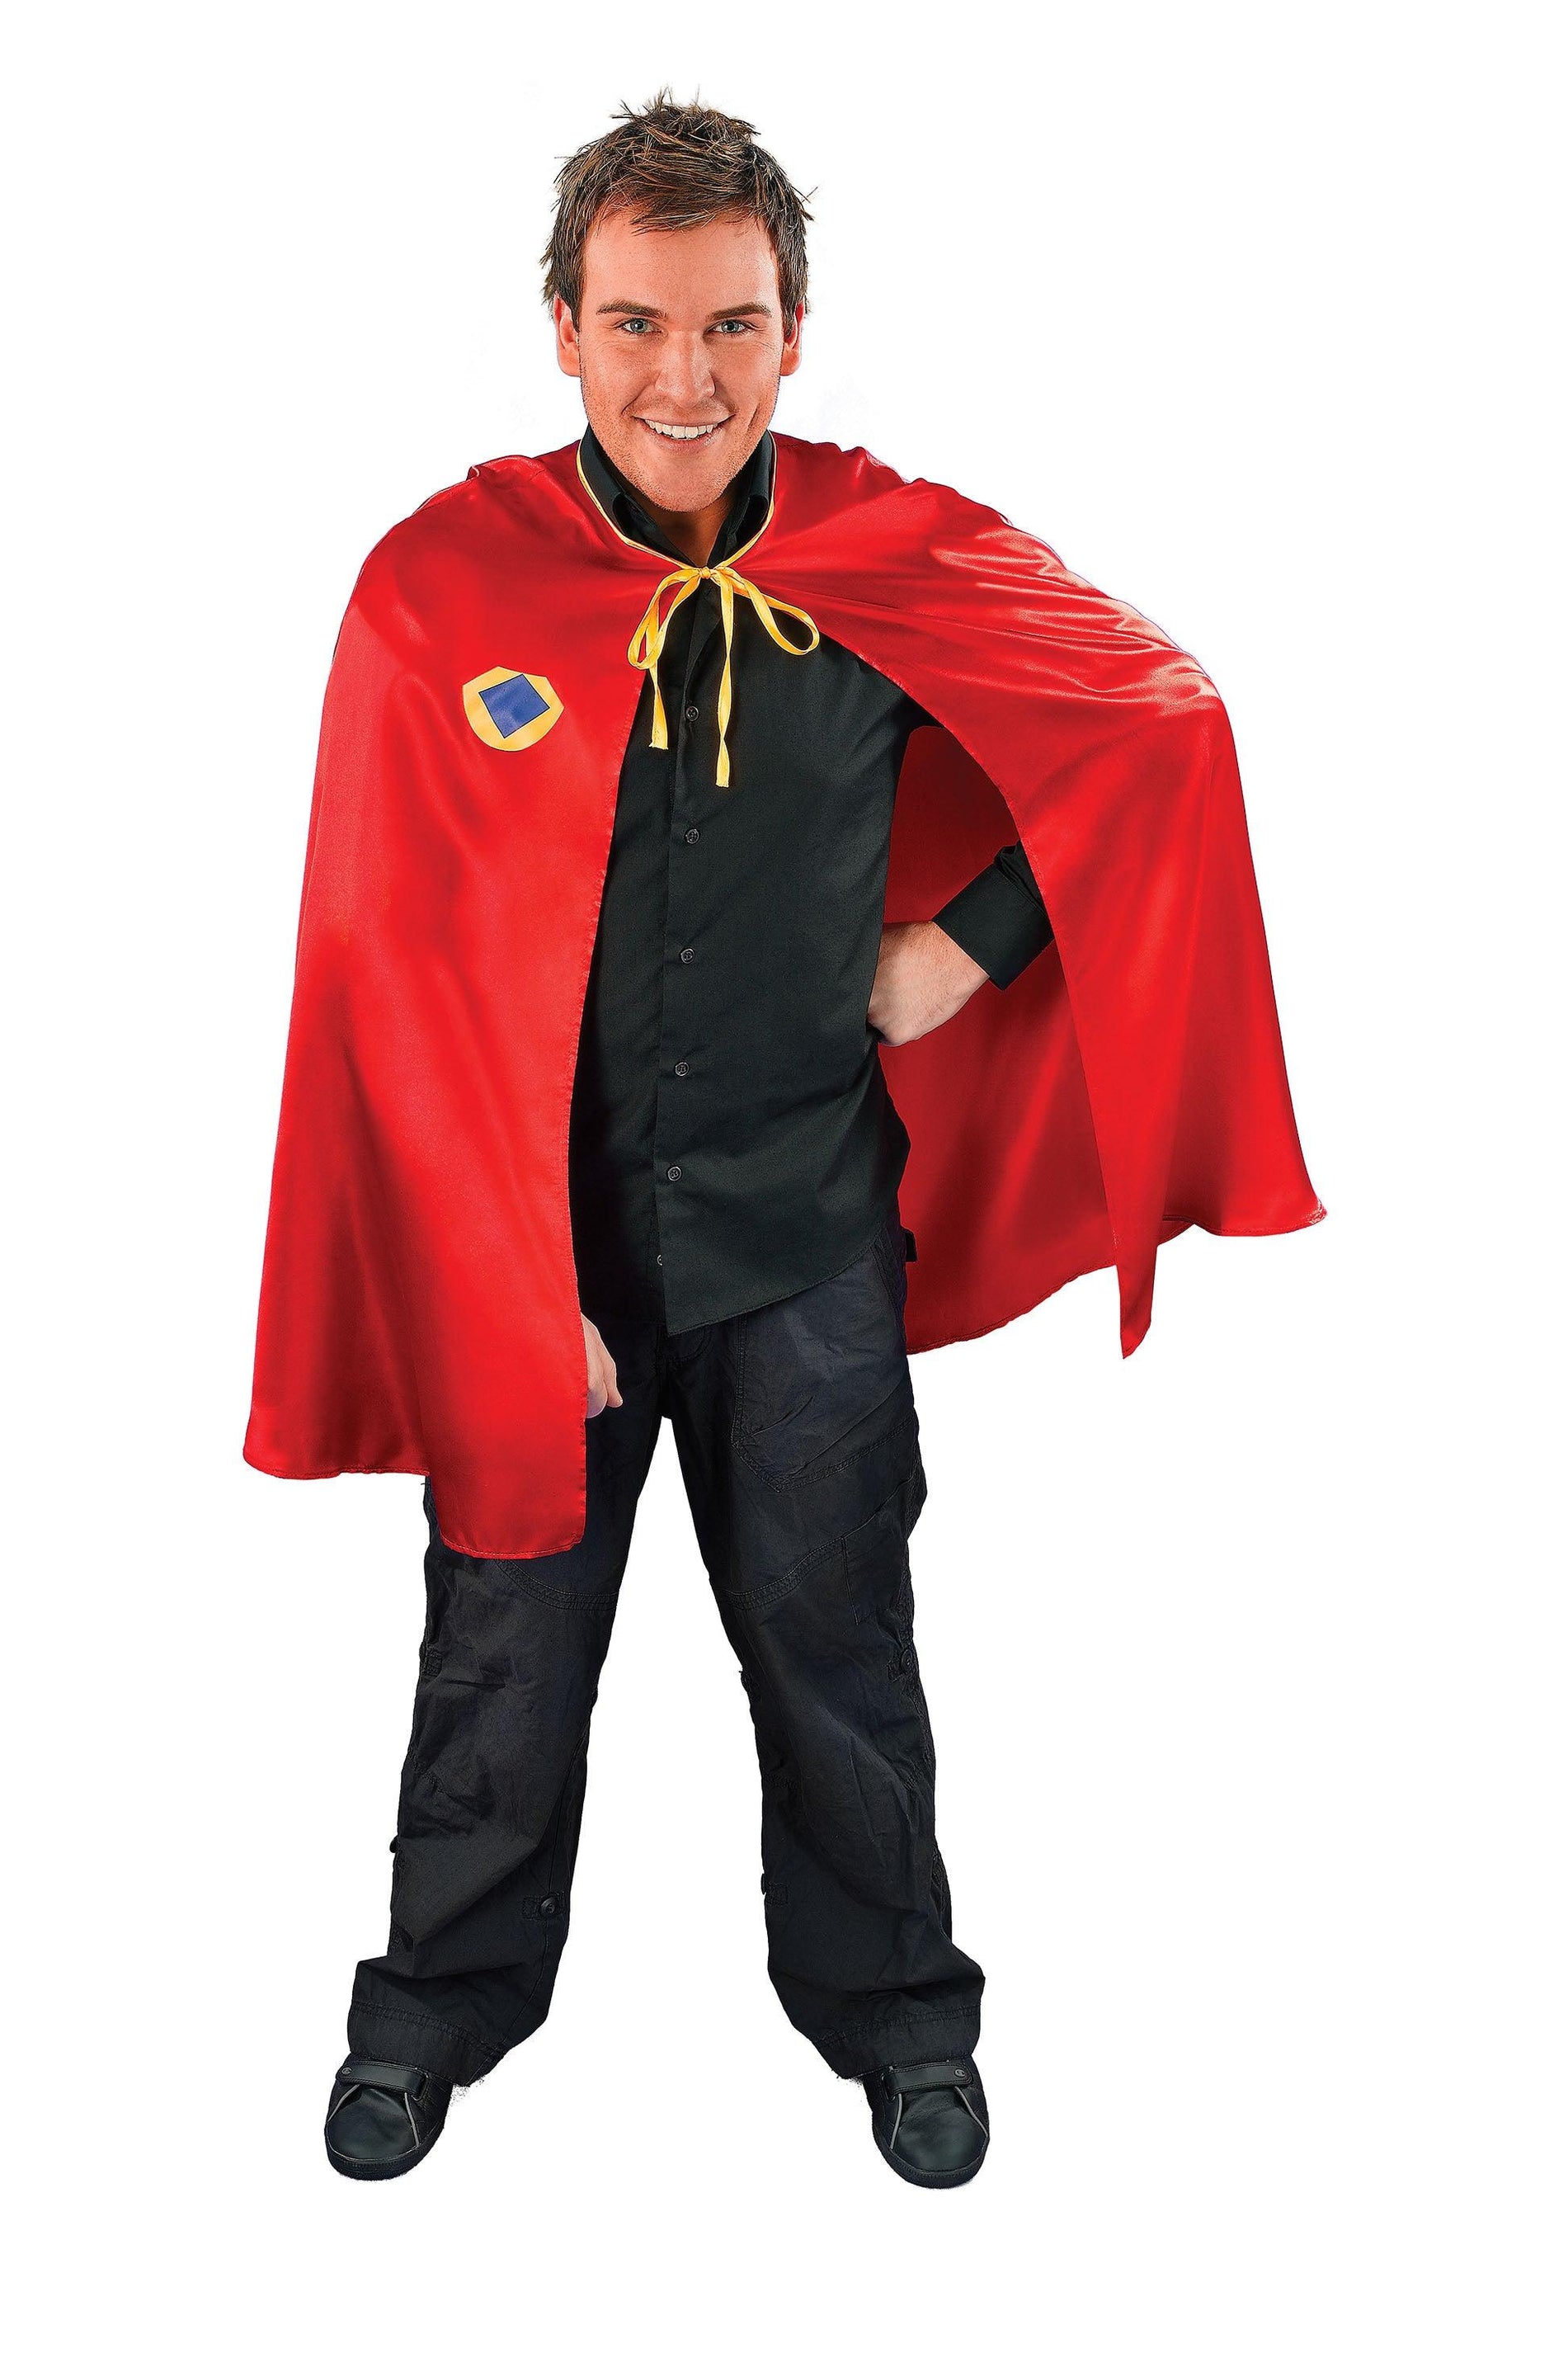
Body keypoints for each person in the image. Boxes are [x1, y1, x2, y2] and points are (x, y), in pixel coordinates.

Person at [252, 93, 1322, 2191]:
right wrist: (501, 1278)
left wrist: (960, 951)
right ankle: (434, 2012)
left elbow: (1157, 720)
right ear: (562, 328)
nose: (687, 376)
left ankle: (899, 2017)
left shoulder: (882, 552)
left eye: (732, 323)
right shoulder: (433, 592)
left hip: (806, 1235)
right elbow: (384, 972)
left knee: (840, 1650)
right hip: (537, 1254)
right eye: (638, 322)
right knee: (499, 1665)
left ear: (794, 332)